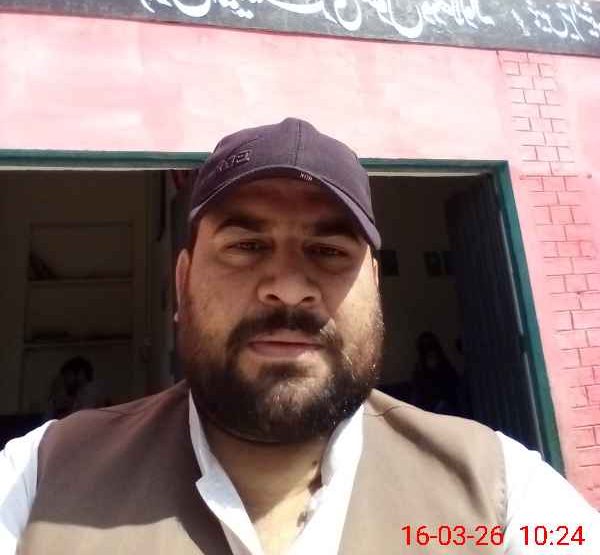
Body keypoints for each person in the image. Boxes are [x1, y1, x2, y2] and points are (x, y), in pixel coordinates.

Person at [0, 117, 598, 555]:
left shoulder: (503, 497)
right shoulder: (35, 481)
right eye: (245, 245)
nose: (288, 287)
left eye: (329, 250)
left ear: (375, 287)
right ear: (182, 284)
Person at [410, 331, 461, 415]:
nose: (429, 351)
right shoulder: (419, 372)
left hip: (446, 407)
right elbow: (417, 397)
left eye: (430, 346)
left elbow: (454, 390)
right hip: (428, 411)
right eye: (424, 348)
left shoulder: (447, 368)